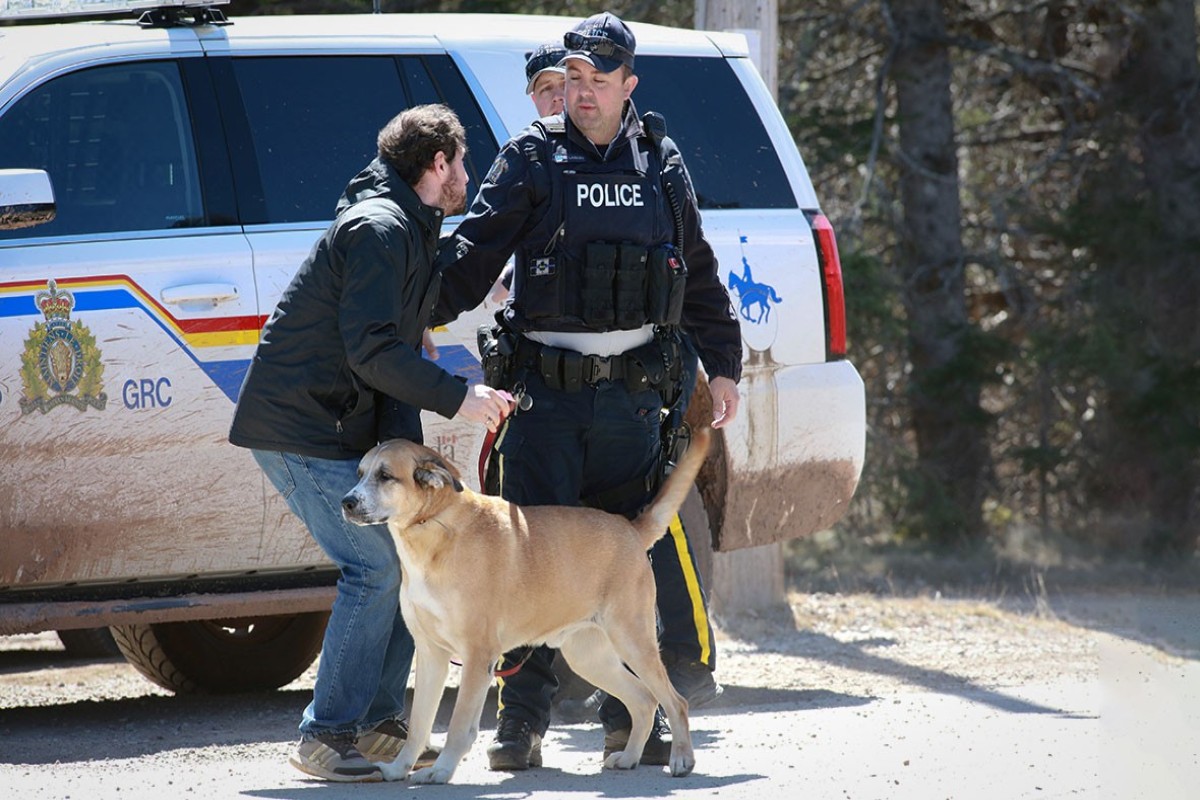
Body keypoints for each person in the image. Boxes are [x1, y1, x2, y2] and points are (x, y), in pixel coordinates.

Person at [434, 12, 742, 771]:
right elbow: (471, 258)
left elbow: (695, 269)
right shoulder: (530, 159)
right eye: (572, 79)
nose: (582, 93)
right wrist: (408, 310)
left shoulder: (661, 164)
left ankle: (629, 717)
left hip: (633, 397)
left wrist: (724, 362)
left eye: (598, 81)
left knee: (620, 567)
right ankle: (522, 723)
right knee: (526, 560)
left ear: (628, 84)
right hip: (546, 394)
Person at [228, 104, 514, 783]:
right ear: (437, 164)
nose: (465, 176)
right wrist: (460, 395)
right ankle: (325, 738)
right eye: (462, 164)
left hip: (336, 425)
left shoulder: (403, 223)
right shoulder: (381, 228)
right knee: (376, 569)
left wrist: (491, 281)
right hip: (301, 428)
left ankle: (381, 727)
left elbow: (415, 303)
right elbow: (374, 349)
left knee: (398, 560)